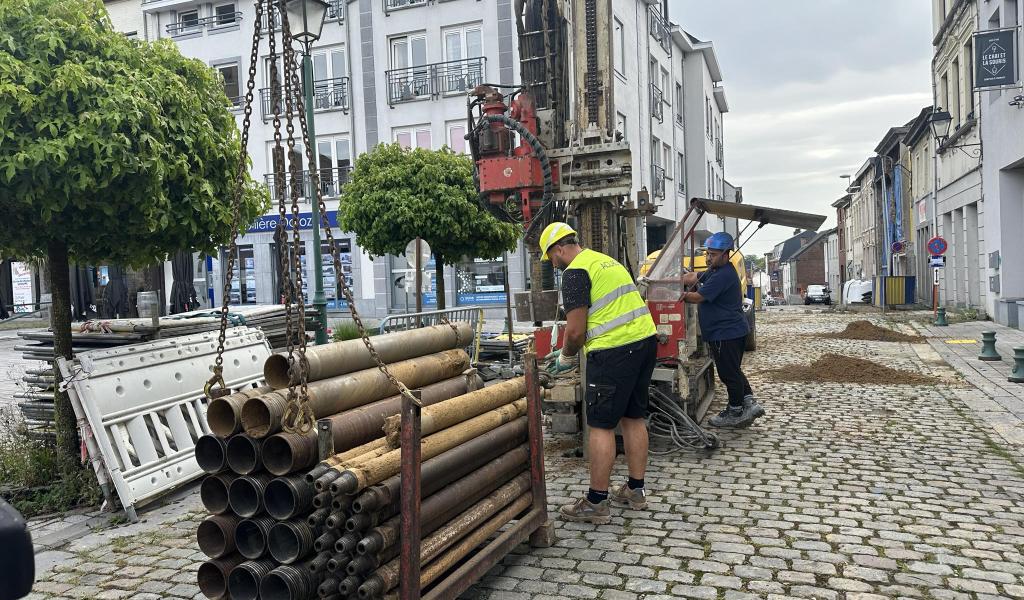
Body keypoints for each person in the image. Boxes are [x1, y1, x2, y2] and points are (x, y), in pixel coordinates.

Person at [540, 222, 658, 525]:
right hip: (644, 342)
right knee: (633, 417)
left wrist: (566, 356)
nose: (554, 264)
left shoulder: (575, 272)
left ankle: (596, 502)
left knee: (601, 425)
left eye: (551, 257)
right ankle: (636, 490)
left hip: (614, 351)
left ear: (559, 249)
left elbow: (576, 330)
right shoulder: (605, 261)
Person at [681, 232, 764, 428]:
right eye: (708, 253)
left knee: (728, 374)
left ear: (726, 254)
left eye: (714, 254)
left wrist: (676, 294)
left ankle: (735, 411)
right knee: (734, 370)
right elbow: (695, 276)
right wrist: (679, 278)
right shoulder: (716, 270)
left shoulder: (723, 275)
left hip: (725, 333)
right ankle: (749, 402)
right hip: (731, 331)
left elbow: (698, 297)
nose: (709, 258)